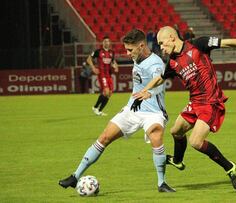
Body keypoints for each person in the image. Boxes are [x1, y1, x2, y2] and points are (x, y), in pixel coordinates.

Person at [132, 26, 236, 190]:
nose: (161, 48)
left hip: (210, 101)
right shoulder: (171, 61)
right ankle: (178, 161)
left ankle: (230, 168)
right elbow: (160, 78)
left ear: (171, 37)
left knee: (195, 142)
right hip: (195, 102)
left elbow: (227, 43)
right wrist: (143, 91)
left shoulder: (198, 44)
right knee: (176, 131)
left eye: (162, 43)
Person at [59, 29, 175, 192]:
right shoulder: (138, 57)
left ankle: (161, 183)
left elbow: (158, 80)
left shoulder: (155, 63)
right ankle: (75, 176)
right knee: (105, 136)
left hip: (153, 111)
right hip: (132, 108)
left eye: (130, 50)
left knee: (156, 138)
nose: (127, 53)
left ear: (141, 46)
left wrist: (149, 91)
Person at [87, 36, 118, 116]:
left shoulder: (112, 52)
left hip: (109, 75)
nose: (106, 43)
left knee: (109, 93)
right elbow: (89, 59)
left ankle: (99, 110)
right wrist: (93, 68)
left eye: (108, 41)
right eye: (105, 41)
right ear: (103, 43)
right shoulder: (98, 51)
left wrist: (115, 66)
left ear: (110, 43)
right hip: (102, 74)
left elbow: (113, 62)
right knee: (106, 91)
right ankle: (95, 107)